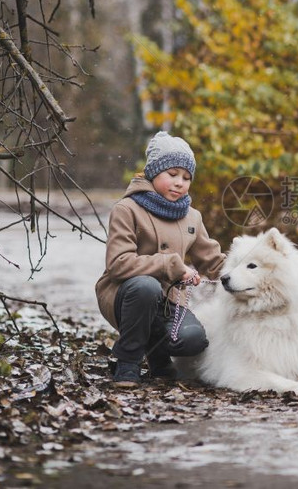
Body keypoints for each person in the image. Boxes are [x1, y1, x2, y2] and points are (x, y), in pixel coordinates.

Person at [95, 131, 226, 387]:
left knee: (193, 340)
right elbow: (118, 263)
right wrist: (171, 265)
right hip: (126, 294)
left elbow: (213, 261)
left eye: (186, 177)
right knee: (147, 287)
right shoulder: (127, 209)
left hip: (168, 302)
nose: (180, 182)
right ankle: (128, 361)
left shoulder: (192, 217)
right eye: (172, 174)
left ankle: (158, 354)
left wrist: (247, 271)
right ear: (153, 173)